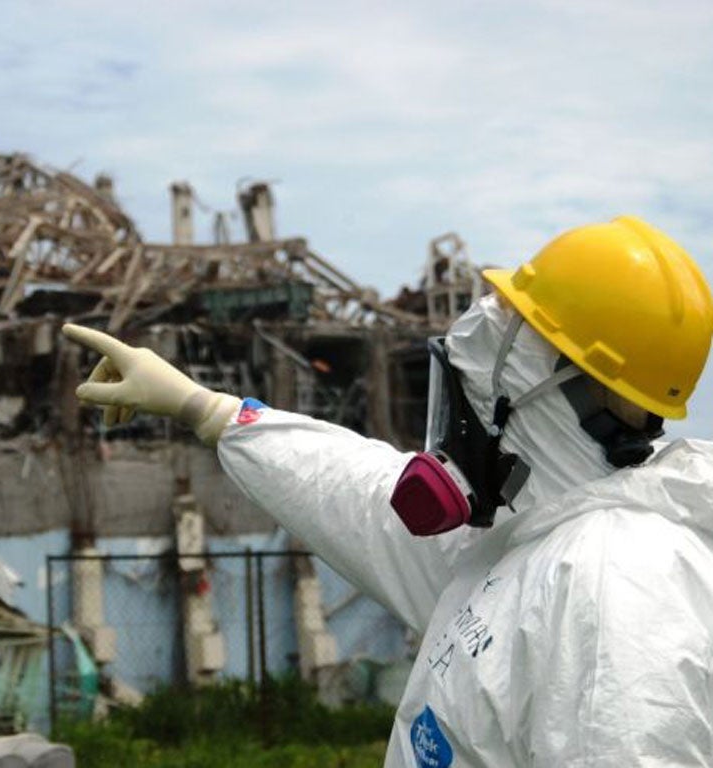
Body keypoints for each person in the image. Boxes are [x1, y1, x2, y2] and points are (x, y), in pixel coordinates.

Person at [62, 216, 713, 767]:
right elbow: (352, 487)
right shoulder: (523, 538)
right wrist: (207, 408)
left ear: (541, 379)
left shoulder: (621, 583)